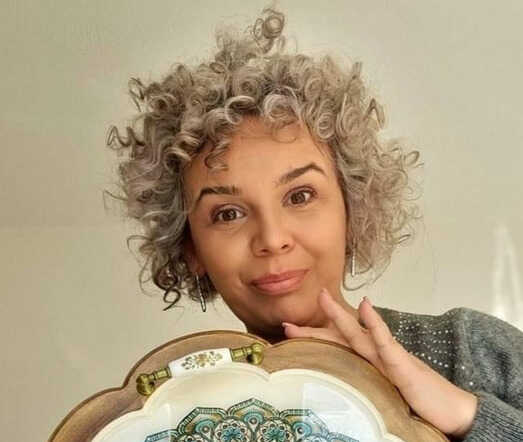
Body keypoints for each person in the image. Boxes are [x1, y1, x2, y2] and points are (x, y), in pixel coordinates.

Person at [106, 7, 523, 441]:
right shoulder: (166, 414)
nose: (272, 239)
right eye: (228, 213)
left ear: (352, 206)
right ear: (190, 247)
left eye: (300, 196)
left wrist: (461, 413)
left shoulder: (473, 351)